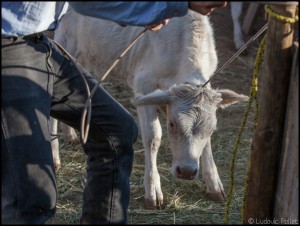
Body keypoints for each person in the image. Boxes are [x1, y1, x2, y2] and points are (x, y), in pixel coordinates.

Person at [1, 1, 227, 224]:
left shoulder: (203, 61)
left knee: (117, 132)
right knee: (31, 196)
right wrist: (164, 7)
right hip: (9, 44)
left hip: (39, 42)